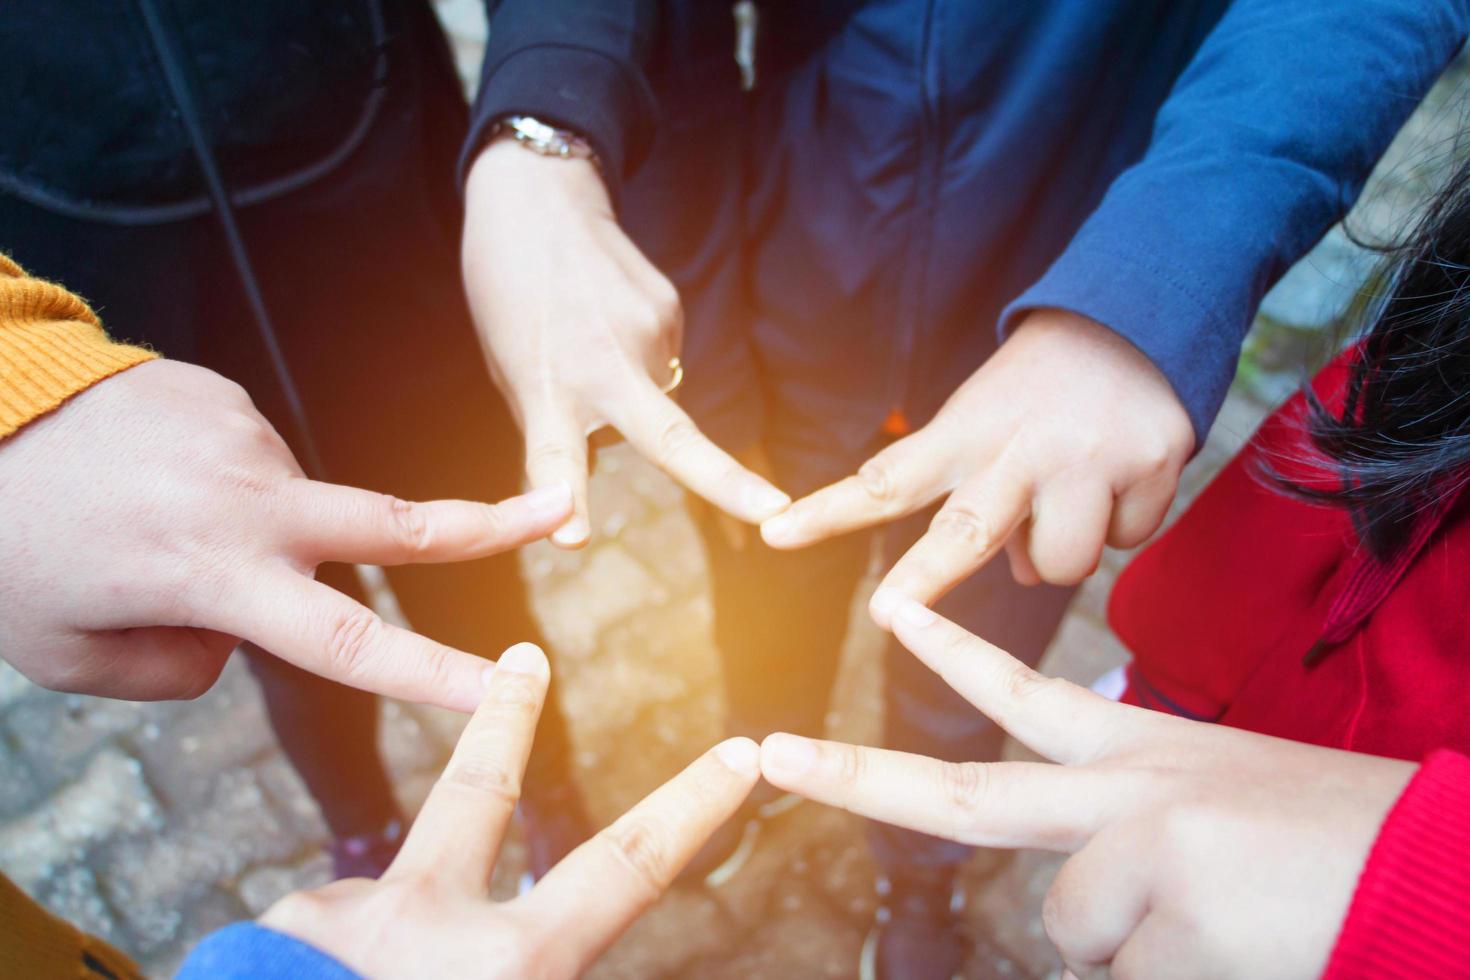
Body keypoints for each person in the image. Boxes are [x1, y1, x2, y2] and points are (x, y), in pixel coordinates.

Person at [460, 2, 1469, 973]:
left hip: (1060, 302)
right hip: (792, 278)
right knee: (766, 598)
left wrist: (1145, 286)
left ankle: (918, 867)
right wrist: (553, 124)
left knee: (973, 653)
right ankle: (762, 752)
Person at [0, 0, 590, 879]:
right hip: (116, 282)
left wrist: (551, 114)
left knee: (474, 590)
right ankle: (361, 832)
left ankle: (550, 792)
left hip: (385, 239)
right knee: (286, 644)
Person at [756, 599, 1468, 979]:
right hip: (1260, 661)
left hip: (1357, 857)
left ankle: (920, 883)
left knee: (957, 733)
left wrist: (1416, 891)